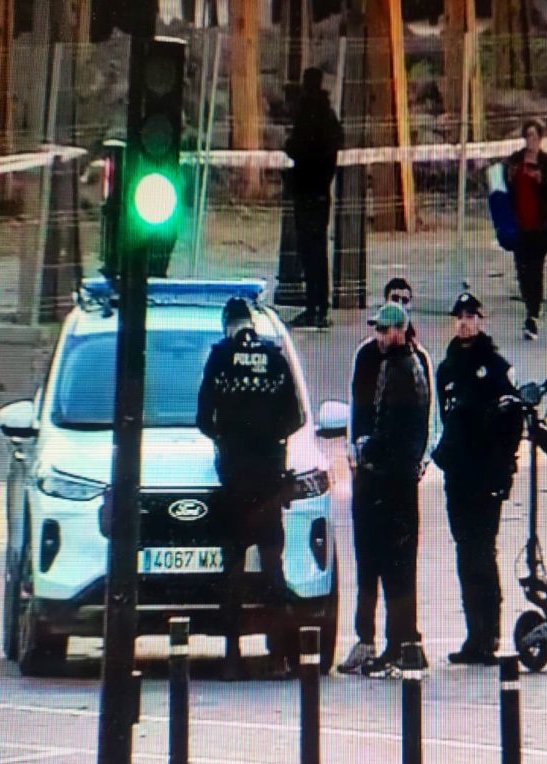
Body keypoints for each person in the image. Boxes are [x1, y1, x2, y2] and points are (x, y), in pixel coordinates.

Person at [196, 297, 305, 677]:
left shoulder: (220, 357)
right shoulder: (275, 357)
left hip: (235, 477)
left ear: (227, 324)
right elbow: (295, 417)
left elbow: (202, 417)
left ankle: (232, 656)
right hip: (269, 479)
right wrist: (269, 442)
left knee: (233, 568)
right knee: (273, 567)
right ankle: (278, 656)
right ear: (252, 324)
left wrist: (228, 440)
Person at [337, 278, 436, 674]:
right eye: (378, 327)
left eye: (385, 328)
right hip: (372, 477)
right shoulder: (371, 359)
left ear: (401, 330)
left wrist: (375, 450)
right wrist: (356, 452)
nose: (380, 335)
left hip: (393, 479)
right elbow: (358, 409)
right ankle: (373, 638)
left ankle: (402, 640)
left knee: (397, 562)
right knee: (369, 561)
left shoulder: (409, 366)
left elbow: (405, 427)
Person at [432, 292, 524, 665]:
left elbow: (512, 422)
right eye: (459, 317)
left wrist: (502, 470)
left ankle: (489, 634)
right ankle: (473, 634)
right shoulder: (447, 369)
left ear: (482, 321)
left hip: (486, 475)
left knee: (483, 552)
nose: (464, 322)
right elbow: (446, 419)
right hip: (458, 476)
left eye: (471, 316)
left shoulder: (497, 367)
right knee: (464, 551)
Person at [284, 67, 343, 331]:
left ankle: (312, 306)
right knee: (319, 250)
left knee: (309, 252)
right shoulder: (329, 117)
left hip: (305, 191)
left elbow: (295, 147)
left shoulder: (307, 115)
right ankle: (321, 304)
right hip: (322, 191)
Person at [505, 119, 547, 341]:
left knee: (536, 271)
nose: (532, 140)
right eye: (528, 136)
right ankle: (530, 304)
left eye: (535, 136)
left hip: (539, 227)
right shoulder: (515, 161)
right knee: (522, 270)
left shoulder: (546, 162)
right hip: (520, 226)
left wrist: (541, 181)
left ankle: (533, 315)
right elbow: (501, 189)